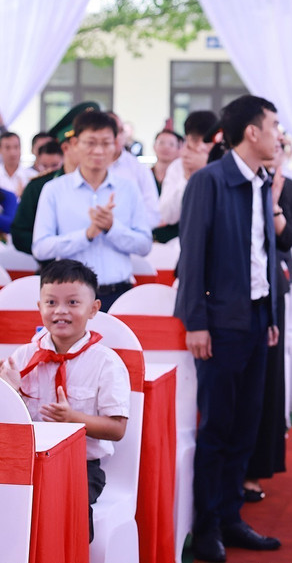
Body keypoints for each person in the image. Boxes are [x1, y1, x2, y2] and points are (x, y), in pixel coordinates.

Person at [175, 95, 283, 561]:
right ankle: (207, 527)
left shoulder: (262, 182)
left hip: (259, 319)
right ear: (252, 132)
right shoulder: (209, 181)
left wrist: (273, 317)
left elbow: (265, 255)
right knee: (217, 427)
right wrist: (195, 323)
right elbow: (191, 256)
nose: (280, 135)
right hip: (220, 323)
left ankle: (232, 517)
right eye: (275, 126)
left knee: (246, 424)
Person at [0, 259, 130, 542]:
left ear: (94, 308)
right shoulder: (23, 357)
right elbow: (16, 423)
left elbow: (117, 429)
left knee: (66, 501)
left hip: (82, 466)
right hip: (30, 460)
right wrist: (10, 392)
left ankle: (72, 551)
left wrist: (74, 419)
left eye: (73, 303)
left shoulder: (106, 363)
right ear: (40, 307)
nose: (60, 311)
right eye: (51, 302)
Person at [32, 110, 152, 310]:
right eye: (90, 143)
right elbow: (41, 248)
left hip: (118, 295)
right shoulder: (54, 190)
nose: (98, 151)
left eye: (106, 143)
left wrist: (112, 228)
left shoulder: (128, 189)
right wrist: (86, 235)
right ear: (75, 144)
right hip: (70, 300)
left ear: (115, 145)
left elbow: (144, 245)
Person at [243, 137, 292, 503]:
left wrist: (275, 202)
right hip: (236, 292)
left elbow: (290, 239)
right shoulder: (238, 182)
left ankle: (255, 470)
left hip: (271, 290)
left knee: (266, 382)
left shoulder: (288, 187)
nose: (275, 153)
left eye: (281, 147)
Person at [11, 103, 94, 258]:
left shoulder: (104, 184)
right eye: (86, 143)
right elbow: (20, 234)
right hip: (54, 270)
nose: (94, 150)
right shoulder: (40, 186)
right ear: (67, 147)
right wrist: (54, 249)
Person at [155, 110, 218, 243]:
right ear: (186, 139)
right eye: (195, 141)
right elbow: (167, 215)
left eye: (206, 142)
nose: (201, 147)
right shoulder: (178, 167)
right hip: (185, 241)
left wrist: (206, 167)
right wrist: (188, 177)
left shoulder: (223, 164)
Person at [107, 112, 160, 228]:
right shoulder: (84, 167)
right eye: (110, 131)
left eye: (120, 131)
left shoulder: (138, 168)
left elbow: (153, 213)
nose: (116, 137)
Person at [152, 129, 183, 193]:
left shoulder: (181, 177)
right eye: (161, 143)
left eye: (171, 144)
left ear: (178, 149)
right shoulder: (146, 174)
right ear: (154, 147)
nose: (166, 147)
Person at [0, 131, 27, 197]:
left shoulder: (30, 176)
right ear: (0, 150)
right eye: (7, 147)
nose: (12, 152)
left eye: (16, 147)